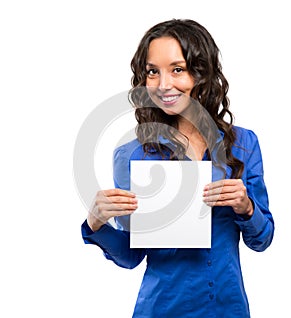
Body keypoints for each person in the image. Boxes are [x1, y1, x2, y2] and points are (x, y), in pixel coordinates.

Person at [81, 19, 274, 317]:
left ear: (202, 73)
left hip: (228, 308)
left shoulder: (244, 144)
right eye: (152, 72)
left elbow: (262, 240)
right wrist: (96, 223)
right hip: (162, 308)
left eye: (177, 69)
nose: (163, 85)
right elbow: (131, 256)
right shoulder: (131, 155)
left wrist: (246, 207)